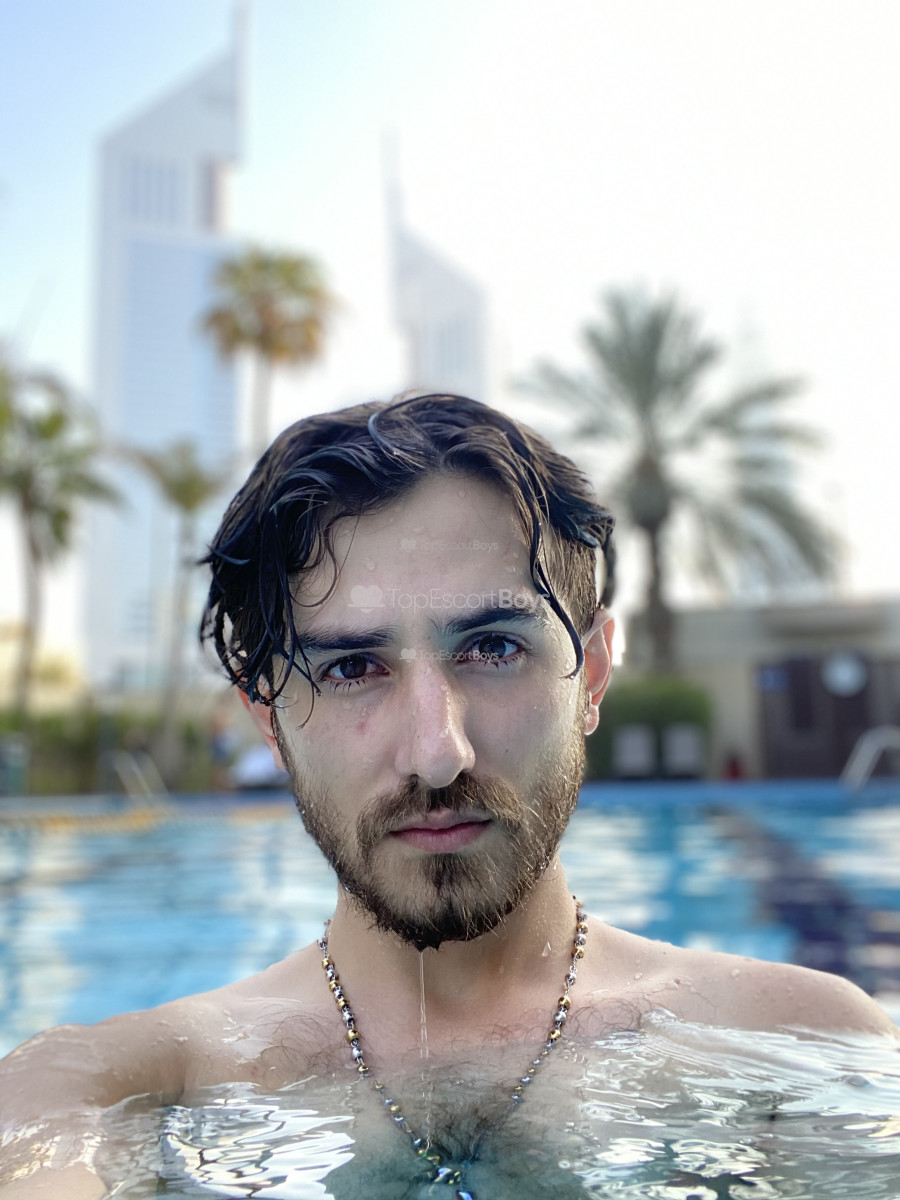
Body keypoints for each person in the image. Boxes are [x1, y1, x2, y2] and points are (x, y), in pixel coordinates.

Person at [1, 394, 896, 1199]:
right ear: (268, 719)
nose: (438, 753)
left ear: (590, 675)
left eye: (494, 648)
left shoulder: (801, 1047)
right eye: (353, 667)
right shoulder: (120, 1087)